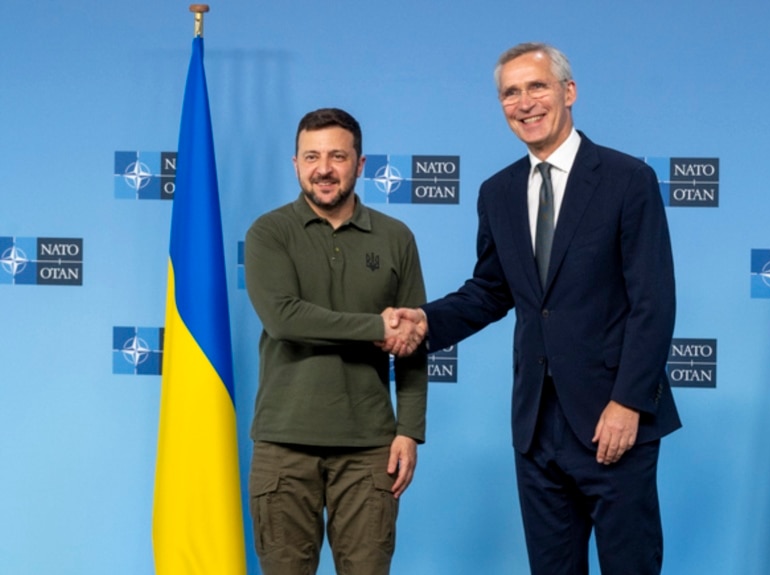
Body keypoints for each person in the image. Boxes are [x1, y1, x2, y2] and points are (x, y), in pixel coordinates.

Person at [387, 42, 680, 574]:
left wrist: (629, 403)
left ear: (569, 92)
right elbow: (492, 290)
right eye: (510, 92)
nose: (524, 102)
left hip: (613, 420)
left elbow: (653, 301)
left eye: (537, 87)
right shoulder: (496, 192)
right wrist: (427, 320)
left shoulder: (625, 179)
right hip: (536, 426)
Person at [244, 107, 427, 575]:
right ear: (296, 164)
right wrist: (375, 327)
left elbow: (412, 340)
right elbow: (284, 319)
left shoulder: (396, 237)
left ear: (360, 164)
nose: (323, 168)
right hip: (284, 445)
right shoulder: (269, 232)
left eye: (337, 156)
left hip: (370, 448)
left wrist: (409, 430)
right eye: (311, 156)